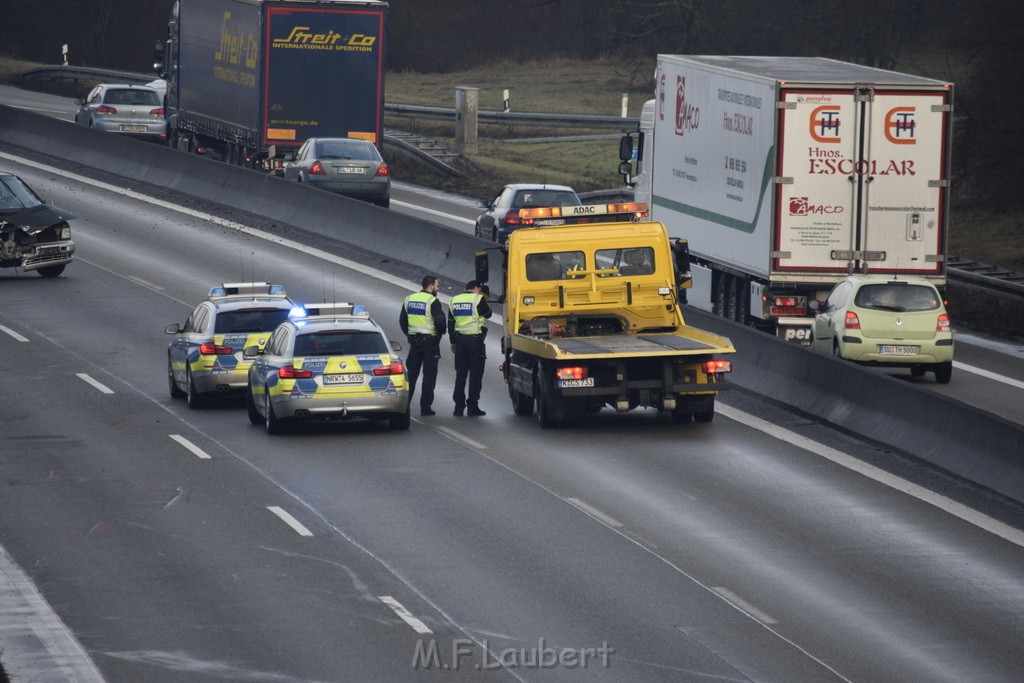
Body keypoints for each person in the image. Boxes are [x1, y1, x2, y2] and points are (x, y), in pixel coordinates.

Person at [400, 275, 446, 416]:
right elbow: (440, 322)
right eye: (437, 286)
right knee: (429, 376)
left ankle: (404, 406)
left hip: (414, 343)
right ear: (431, 286)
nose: (438, 289)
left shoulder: (409, 299)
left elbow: (402, 321)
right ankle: (425, 408)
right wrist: (439, 333)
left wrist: (410, 335)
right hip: (429, 344)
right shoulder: (433, 301)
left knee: (411, 376)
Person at [448, 280, 492, 416]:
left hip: (460, 341)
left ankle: (458, 407)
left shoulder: (453, 300)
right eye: (479, 289)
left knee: (460, 374)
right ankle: (472, 406)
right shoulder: (478, 299)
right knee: (475, 374)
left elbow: (450, 323)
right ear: (476, 288)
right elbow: (489, 314)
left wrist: (453, 342)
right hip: (474, 342)